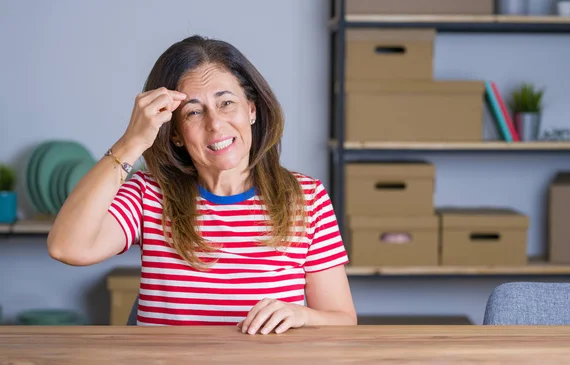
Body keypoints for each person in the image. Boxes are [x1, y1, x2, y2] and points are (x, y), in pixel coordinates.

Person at [47, 35, 356, 333]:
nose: (215, 124)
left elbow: (342, 320)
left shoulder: (306, 197)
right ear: (176, 133)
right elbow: (66, 247)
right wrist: (132, 142)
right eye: (193, 112)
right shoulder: (149, 194)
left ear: (251, 109)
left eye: (226, 103)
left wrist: (300, 314)